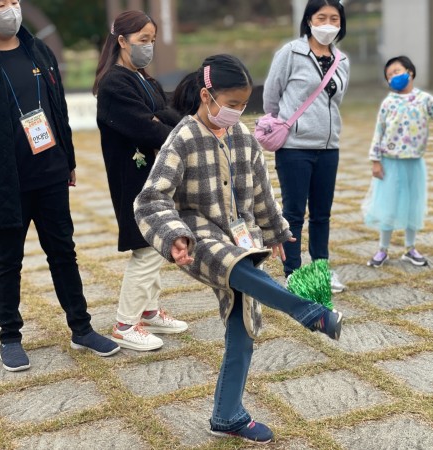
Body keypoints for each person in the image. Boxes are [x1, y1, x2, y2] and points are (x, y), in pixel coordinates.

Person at [134, 54, 343, 444]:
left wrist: (277, 232)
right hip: (195, 235)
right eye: (230, 105)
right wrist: (173, 236)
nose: (236, 112)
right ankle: (309, 313)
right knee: (237, 265)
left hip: (240, 237)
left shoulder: (244, 137)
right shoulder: (182, 137)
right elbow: (151, 199)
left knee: (242, 326)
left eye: (243, 106)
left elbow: (262, 192)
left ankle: (228, 415)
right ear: (206, 95)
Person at [0, 0, 120, 372]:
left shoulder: (38, 50)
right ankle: (9, 336)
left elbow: (57, 108)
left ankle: (82, 327)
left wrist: (69, 161)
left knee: (64, 252)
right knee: (7, 262)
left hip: (50, 174)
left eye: (14, 1)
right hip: (4, 182)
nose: (10, 9)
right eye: (0, 4)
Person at [93, 10, 187, 352]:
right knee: (146, 249)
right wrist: (161, 123)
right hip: (132, 178)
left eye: (151, 40)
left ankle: (148, 310)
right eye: (142, 40)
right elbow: (146, 127)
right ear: (121, 41)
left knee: (156, 244)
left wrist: (159, 118)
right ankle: (124, 323)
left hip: (153, 176)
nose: (148, 47)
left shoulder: (145, 79)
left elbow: (167, 115)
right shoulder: (114, 83)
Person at [262, 0, 350, 294]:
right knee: (294, 213)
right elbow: (271, 96)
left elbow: (335, 102)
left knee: (322, 213)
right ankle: (293, 273)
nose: (328, 23)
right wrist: (285, 125)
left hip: (329, 147)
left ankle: (320, 269)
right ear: (309, 20)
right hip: (295, 148)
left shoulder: (342, 61)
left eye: (334, 18)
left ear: (341, 23)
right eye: (321, 17)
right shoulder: (291, 53)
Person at [363, 56, 433, 267]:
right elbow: (379, 131)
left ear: (410, 72)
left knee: (413, 204)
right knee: (388, 205)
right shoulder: (388, 103)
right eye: (389, 75)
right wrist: (375, 161)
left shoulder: (424, 99)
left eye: (397, 71)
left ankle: (410, 248)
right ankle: (383, 249)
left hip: (414, 162)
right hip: (390, 162)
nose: (393, 77)